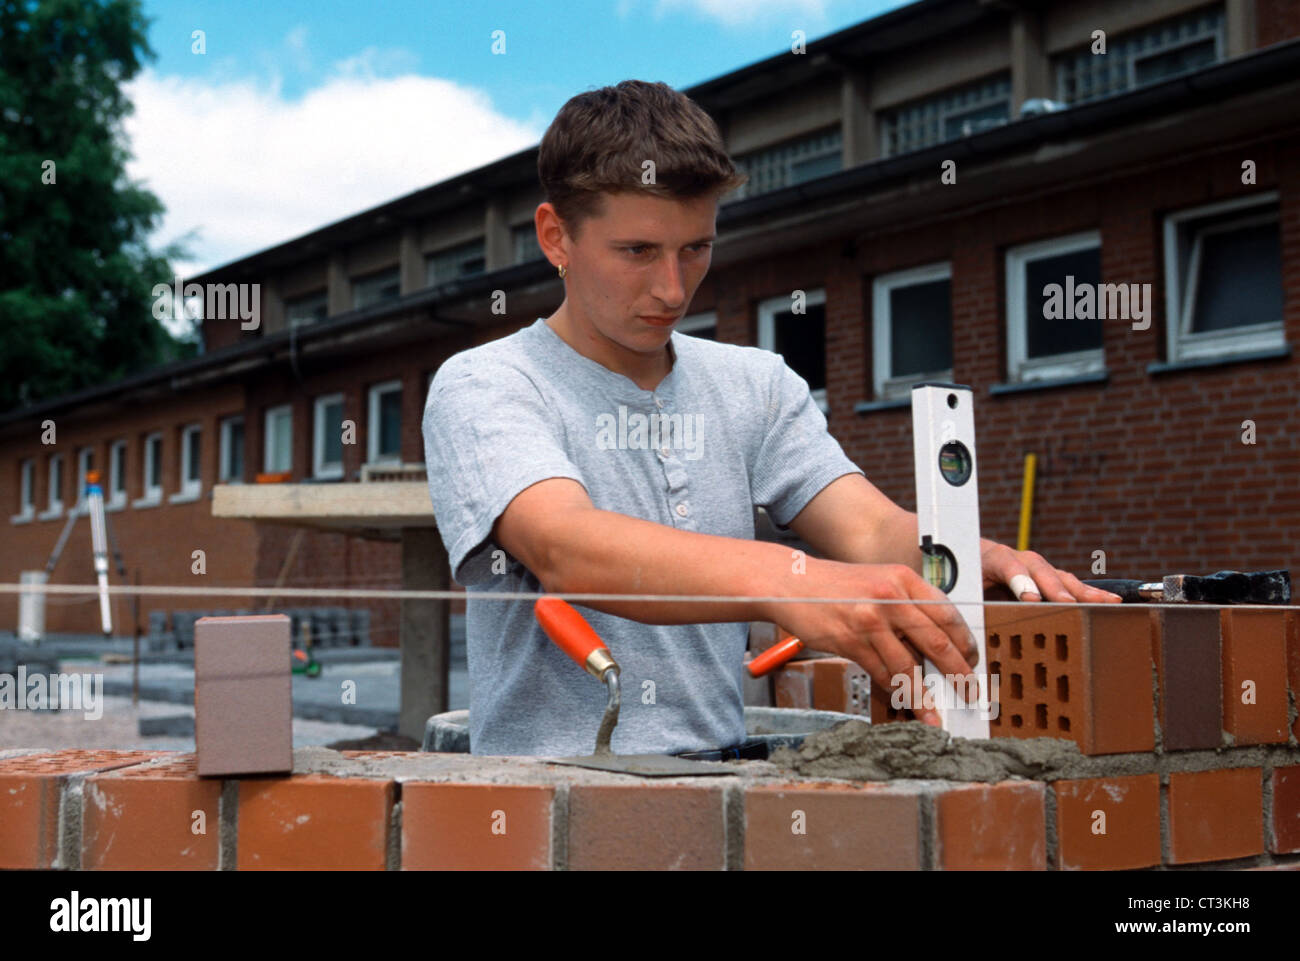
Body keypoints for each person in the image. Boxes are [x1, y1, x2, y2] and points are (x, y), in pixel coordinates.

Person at [422, 79, 1121, 758]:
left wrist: (968, 554)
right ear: (556, 237)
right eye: (638, 251)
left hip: (725, 796)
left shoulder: (754, 383)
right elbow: (566, 545)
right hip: (543, 810)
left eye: (696, 247)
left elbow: (869, 528)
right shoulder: (487, 384)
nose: (673, 287)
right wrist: (792, 580)